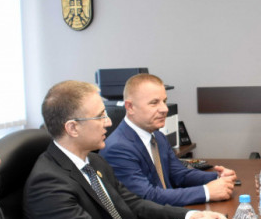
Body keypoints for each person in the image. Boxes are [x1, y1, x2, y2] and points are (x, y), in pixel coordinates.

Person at [24, 80, 231, 219]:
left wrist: (190, 217)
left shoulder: (94, 161)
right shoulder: (47, 184)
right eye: (100, 116)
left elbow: (135, 205)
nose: (108, 122)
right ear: (72, 128)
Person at [100, 73, 236, 206]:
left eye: (164, 101)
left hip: (170, 211)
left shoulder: (157, 136)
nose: (164, 109)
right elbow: (147, 197)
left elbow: (178, 174)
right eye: (154, 103)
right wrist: (206, 192)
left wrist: (218, 177)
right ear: (130, 107)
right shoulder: (118, 148)